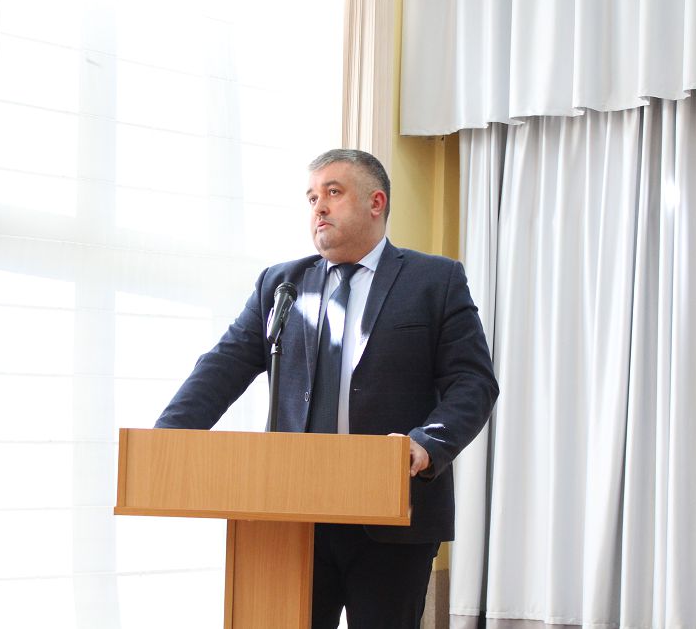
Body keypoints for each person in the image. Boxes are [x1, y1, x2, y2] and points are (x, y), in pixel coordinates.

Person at [155, 148, 498, 629]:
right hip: (292, 515)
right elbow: (223, 365)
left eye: (333, 193)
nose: (319, 207)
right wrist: (167, 438)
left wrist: (426, 444)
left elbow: (473, 382)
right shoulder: (281, 285)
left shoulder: (434, 280)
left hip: (393, 514)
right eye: (312, 197)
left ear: (376, 202)